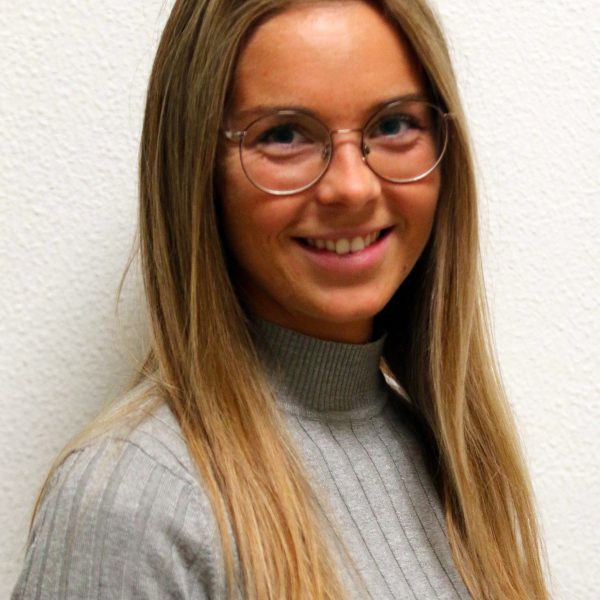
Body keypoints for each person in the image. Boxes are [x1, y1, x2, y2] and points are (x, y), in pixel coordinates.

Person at [12, 1, 549, 598]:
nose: (352, 187)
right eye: (284, 134)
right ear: (197, 171)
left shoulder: (454, 463)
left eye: (394, 124)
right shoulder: (136, 501)